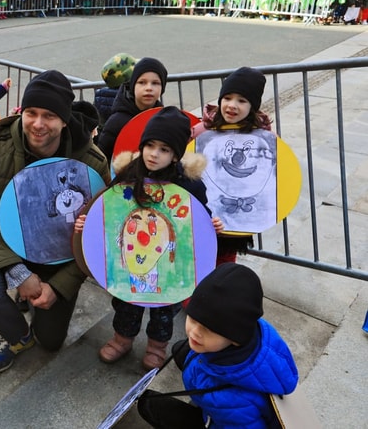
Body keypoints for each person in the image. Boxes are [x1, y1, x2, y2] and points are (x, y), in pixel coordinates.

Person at [0, 70, 111, 373]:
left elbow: (98, 234)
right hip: (10, 242)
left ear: (65, 120)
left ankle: (38, 310)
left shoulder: (92, 163)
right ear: (21, 112)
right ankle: (18, 336)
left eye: (49, 116)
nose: (38, 124)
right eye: (31, 113)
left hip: (62, 252)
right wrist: (16, 271)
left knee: (52, 341)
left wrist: (58, 287)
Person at [80, 106, 222, 370]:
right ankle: (122, 339)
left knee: (165, 308)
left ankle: (157, 346)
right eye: (150, 146)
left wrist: (212, 224)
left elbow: (199, 219)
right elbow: (108, 212)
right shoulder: (127, 175)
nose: (154, 154)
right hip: (132, 256)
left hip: (168, 256)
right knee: (126, 302)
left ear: (176, 154)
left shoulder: (189, 185)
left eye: (164, 150)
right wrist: (87, 223)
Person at [136, 263, 298, 429]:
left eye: (208, 329)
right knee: (182, 349)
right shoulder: (251, 330)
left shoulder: (232, 401)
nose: (195, 332)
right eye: (193, 319)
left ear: (235, 339)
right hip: (226, 381)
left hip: (223, 420)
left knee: (149, 405)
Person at [191, 67, 272, 266]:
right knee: (198, 261)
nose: (232, 105)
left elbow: (270, 172)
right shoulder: (201, 131)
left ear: (252, 106)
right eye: (227, 98)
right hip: (203, 211)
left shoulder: (263, 137)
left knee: (224, 263)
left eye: (242, 101)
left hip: (235, 218)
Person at [97, 57, 167, 159]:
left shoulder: (165, 118)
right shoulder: (116, 122)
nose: (149, 88)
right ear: (133, 86)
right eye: (142, 82)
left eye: (155, 83)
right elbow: (103, 158)